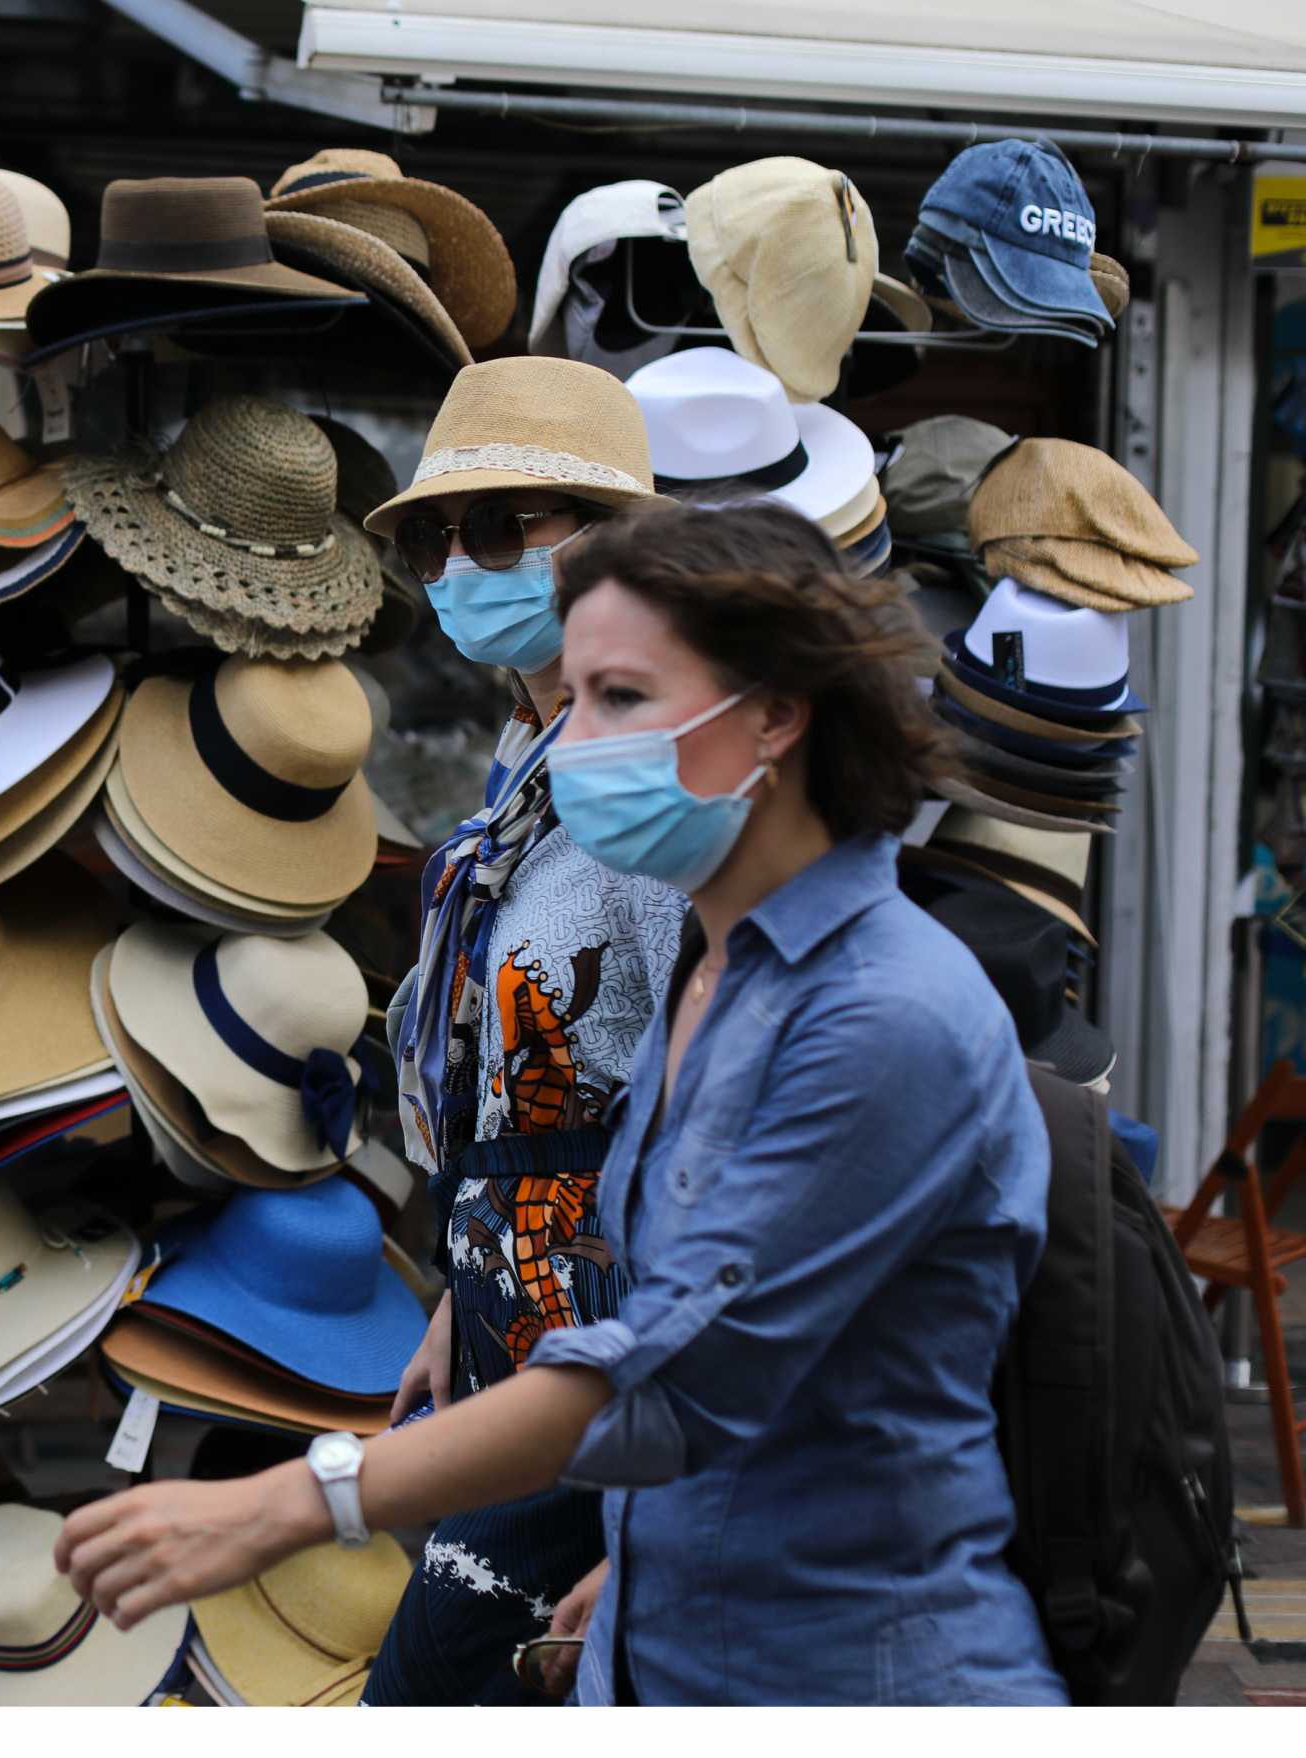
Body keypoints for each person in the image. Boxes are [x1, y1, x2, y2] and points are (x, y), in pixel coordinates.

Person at [55, 502, 1064, 1706]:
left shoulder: (875, 1013)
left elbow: (672, 1377)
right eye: (574, 698)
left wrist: (291, 1502)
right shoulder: (725, 978)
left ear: (776, 716)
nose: (575, 742)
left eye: (622, 699)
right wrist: (633, 1557)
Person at [359, 358, 687, 1704]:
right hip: (515, 1319)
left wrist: (660, 1508)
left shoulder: (652, 786)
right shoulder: (520, 780)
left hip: (612, 1340)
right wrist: (463, 1290)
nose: (457, 561)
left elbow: (693, 1102)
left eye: (500, 528)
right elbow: (519, 1090)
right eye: (439, 536)